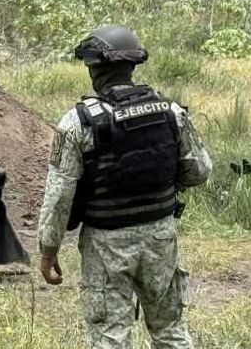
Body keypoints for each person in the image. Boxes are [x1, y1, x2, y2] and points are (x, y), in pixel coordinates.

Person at [36, 24, 212, 349]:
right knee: (171, 331)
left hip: (106, 247)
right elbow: (199, 171)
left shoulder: (77, 124)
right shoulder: (170, 112)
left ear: (94, 69)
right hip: (160, 236)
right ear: (131, 66)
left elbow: (59, 198)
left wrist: (48, 251)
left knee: (109, 338)